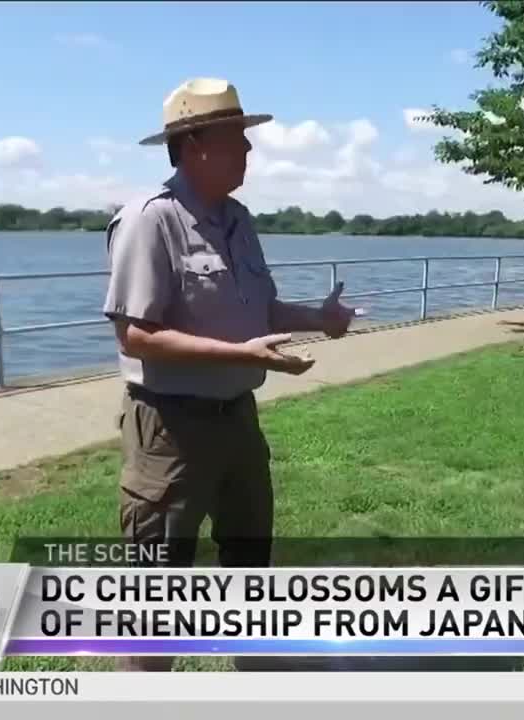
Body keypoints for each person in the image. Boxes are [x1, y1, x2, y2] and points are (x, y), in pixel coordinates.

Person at [102, 78, 357, 672]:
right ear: (194, 145)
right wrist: (243, 355)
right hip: (170, 431)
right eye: (237, 139)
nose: (248, 151)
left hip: (239, 423)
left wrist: (320, 319)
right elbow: (134, 334)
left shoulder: (238, 219)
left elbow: (260, 309)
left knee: (251, 577)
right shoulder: (149, 221)